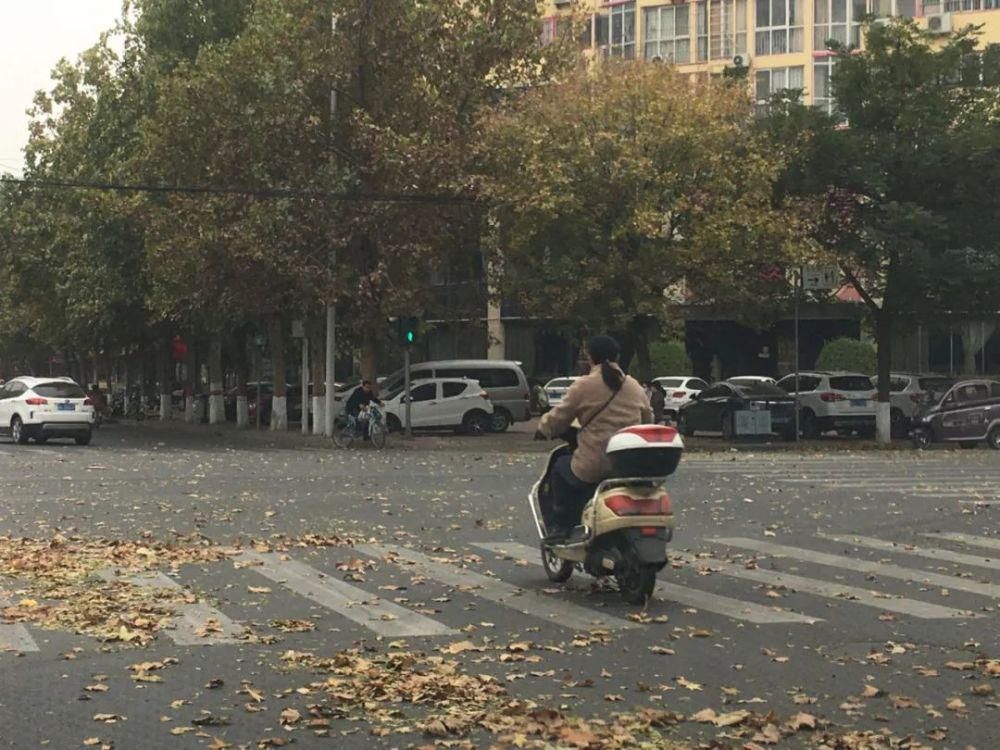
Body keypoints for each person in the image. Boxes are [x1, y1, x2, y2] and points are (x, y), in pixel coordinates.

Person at [534, 335, 653, 541]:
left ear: (589, 357)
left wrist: (543, 428)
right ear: (617, 356)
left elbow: (558, 417)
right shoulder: (634, 386)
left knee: (560, 468)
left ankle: (560, 527)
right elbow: (649, 418)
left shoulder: (584, 386)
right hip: (629, 465)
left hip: (595, 464)